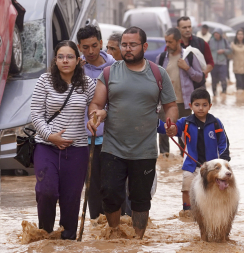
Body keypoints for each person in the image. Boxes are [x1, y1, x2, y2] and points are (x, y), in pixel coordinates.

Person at [88, 26, 181, 239]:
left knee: (140, 199)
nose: (127, 49)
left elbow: (171, 106)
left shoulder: (158, 74)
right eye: (124, 45)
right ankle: (114, 233)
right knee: (110, 194)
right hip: (113, 147)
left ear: (144, 46)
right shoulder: (109, 73)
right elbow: (96, 103)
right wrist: (96, 116)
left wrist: (171, 123)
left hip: (145, 149)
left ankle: (138, 241)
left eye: (132, 45)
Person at [30, 40, 96, 240]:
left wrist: (94, 118)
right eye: (60, 57)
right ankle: (45, 236)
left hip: (77, 151)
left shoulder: (88, 84)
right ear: (55, 60)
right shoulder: (45, 81)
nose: (65, 61)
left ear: (78, 60)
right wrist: (50, 136)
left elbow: (97, 107)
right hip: (46, 147)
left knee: (71, 198)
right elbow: (35, 115)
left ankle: (67, 241)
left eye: (69, 57)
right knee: (46, 191)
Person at [76, 25, 120, 220]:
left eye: (94, 46)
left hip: (112, 138)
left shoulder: (115, 68)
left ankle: (116, 227)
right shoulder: (76, 69)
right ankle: (97, 230)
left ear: (101, 43)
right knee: (91, 189)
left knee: (113, 187)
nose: (91, 51)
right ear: (79, 47)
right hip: (85, 140)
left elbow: (121, 103)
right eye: (85, 47)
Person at [170, 88, 229, 216]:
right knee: (187, 188)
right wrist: (168, 127)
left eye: (204, 105)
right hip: (191, 165)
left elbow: (223, 143)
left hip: (212, 168)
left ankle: (213, 213)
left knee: (214, 189)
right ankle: (187, 213)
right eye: (197, 105)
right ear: (190, 106)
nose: (200, 108)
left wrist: (224, 160)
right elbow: (172, 130)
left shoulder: (216, 123)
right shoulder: (184, 122)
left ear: (210, 106)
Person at [158, 27, 203, 157]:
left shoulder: (189, 56)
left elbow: (199, 77)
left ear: (178, 41)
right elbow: (154, 79)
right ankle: (165, 161)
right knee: (163, 133)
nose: (167, 45)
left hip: (184, 102)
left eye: (170, 42)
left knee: (183, 133)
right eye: (166, 41)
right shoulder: (161, 58)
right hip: (165, 102)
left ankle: (184, 160)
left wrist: (187, 68)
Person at [177, 16, 214, 87]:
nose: (188, 30)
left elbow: (210, 62)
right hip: (180, 86)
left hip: (198, 85)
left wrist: (203, 73)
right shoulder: (174, 45)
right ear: (178, 29)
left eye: (189, 27)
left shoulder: (201, 43)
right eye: (184, 27)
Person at [208, 29, 231, 96]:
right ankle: (214, 94)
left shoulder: (224, 41)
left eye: (217, 33)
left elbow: (230, 50)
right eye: (214, 34)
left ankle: (224, 93)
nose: (216, 35)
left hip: (222, 63)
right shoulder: (210, 41)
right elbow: (207, 51)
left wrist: (223, 51)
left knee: (223, 79)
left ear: (220, 34)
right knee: (214, 80)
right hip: (213, 63)